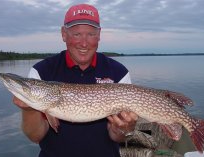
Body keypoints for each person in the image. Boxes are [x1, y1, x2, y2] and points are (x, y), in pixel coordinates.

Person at [13, 3, 138, 157]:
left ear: (99, 35)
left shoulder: (119, 72)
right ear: (64, 34)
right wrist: (29, 109)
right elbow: (35, 136)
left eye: (91, 34)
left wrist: (124, 128)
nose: (84, 43)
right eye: (77, 34)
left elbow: (117, 136)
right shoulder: (41, 71)